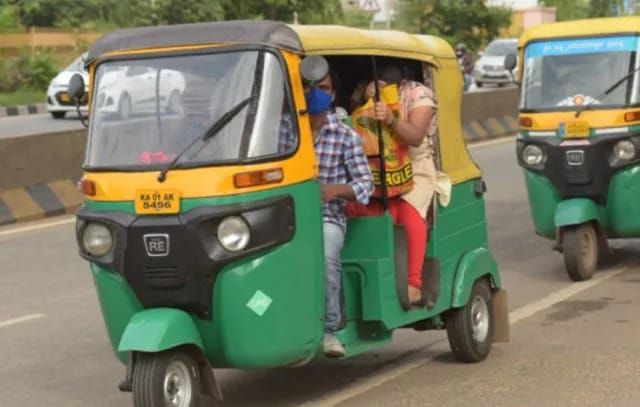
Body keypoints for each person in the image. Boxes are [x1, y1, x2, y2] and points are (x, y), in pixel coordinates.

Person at [292, 59, 374, 357]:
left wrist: (334, 191)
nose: (314, 93)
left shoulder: (345, 137)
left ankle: (329, 331)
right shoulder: (282, 133)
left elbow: (366, 185)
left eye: (322, 88)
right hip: (286, 218)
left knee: (326, 256)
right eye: (307, 87)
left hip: (327, 218)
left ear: (333, 94)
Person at [346, 64, 438, 305]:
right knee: (357, 208)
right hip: (378, 164)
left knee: (408, 212)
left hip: (416, 166)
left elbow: (415, 136)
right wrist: (364, 99)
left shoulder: (419, 95)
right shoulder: (369, 92)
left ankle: (414, 284)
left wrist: (390, 118)